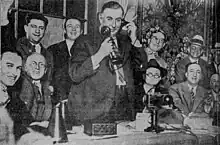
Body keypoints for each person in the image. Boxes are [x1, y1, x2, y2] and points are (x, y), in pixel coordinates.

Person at [68, 1, 141, 125]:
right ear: (100, 18)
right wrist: (100, 54)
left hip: (124, 105)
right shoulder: (84, 41)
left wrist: (134, 38)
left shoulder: (125, 42)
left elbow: (142, 65)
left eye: (118, 20)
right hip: (97, 108)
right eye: (109, 19)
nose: (113, 25)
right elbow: (75, 74)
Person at [48, 17, 86, 102]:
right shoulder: (53, 50)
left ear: (81, 31)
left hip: (81, 100)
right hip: (59, 99)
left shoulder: (88, 51)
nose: (73, 29)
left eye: (77, 26)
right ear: (64, 30)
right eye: (69, 26)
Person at [16, 13, 53, 82]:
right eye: (34, 26)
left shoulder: (48, 54)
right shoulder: (16, 48)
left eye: (41, 28)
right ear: (26, 28)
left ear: (45, 31)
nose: (37, 31)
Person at [19, 53, 53, 122]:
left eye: (41, 64)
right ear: (25, 67)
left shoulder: (47, 87)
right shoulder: (21, 86)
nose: (37, 67)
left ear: (45, 70)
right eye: (33, 64)